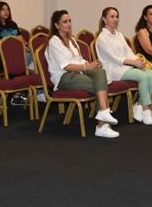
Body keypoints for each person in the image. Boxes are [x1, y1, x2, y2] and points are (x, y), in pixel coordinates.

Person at [46, 9, 119, 139]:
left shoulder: (72, 40)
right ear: (56, 25)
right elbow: (66, 66)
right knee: (100, 84)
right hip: (64, 78)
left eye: (69, 21)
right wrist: (87, 66)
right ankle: (102, 124)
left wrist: (91, 64)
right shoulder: (54, 41)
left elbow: (79, 60)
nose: (69, 24)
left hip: (79, 73)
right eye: (65, 22)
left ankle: (103, 115)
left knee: (100, 72)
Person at [95, 7, 152, 126]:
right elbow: (114, 58)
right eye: (112, 17)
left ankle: (139, 104)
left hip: (127, 66)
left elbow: (128, 51)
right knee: (143, 76)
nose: (115, 19)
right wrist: (133, 63)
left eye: (117, 17)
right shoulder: (102, 38)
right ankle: (146, 109)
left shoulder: (119, 35)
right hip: (114, 70)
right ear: (104, 19)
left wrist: (138, 60)